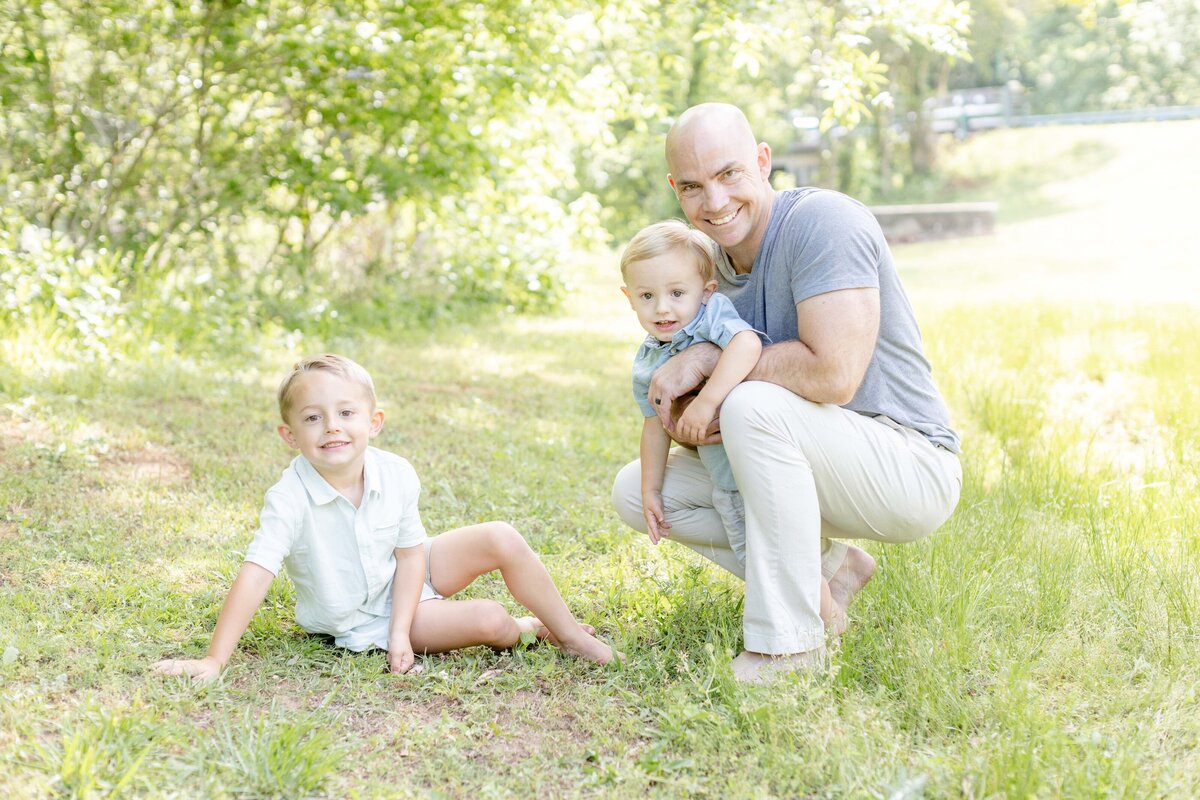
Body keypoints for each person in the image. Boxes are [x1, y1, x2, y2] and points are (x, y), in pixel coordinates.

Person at [611, 103, 962, 683]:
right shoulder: (703, 270)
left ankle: (792, 646)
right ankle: (834, 569)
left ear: (763, 161)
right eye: (694, 187)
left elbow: (833, 376)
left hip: (908, 465)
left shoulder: (823, 223)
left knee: (751, 401)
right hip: (812, 462)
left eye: (730, 175)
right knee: (639, 493)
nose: (716, 203)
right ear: (676, 190)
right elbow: (712, 427)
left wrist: (711, 363)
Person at [154, 354, 618, 681]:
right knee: (493, 621)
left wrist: (403, 629)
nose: (332, 426)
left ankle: (570, 633)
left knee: (500, 535)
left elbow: (411, 553)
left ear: (373, 422)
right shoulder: (289, 497)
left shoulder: (394, 472)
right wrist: (215, 660)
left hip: (404, 574)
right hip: (363, 616)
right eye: (313, 418)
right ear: (289, 435)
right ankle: (525, 628)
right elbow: (256, 574)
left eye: (346, 412)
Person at [620, 219, 763, 566]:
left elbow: (746, 343)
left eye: (677, 293)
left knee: (769, 556)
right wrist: (650, 490)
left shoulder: (710, 318)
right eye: (647, 296)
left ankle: (819, 616)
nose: (662, 308)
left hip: (762, 460)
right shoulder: (649, 359)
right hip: (727, 481)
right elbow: (655, 423)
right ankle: (826, 604)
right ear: (629, 298)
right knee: (758, 553)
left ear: (707, 291)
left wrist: (707, 401)